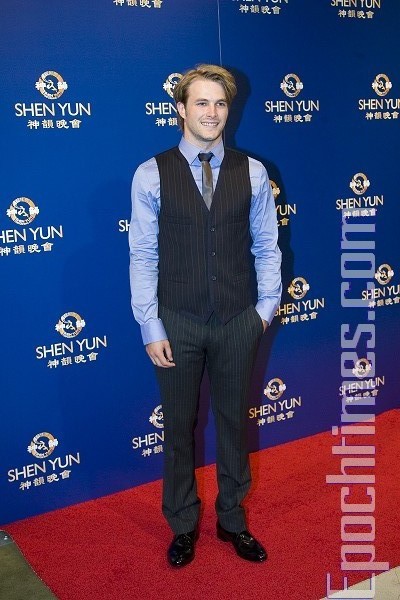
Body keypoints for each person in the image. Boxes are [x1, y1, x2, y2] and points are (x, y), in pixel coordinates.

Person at [129, 64, 282, 568]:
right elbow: (143, 254)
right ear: (181, 108)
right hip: (177, 320)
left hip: (238, 319)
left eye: (220, 103)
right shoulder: (151, 173)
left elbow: (267, 246)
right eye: (201, 102)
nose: (211, 112)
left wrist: (264, 309)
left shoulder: (253, 172)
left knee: (235, 423)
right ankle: (182, 522)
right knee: (178, 428)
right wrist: (150, 323)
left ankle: (232, 519)